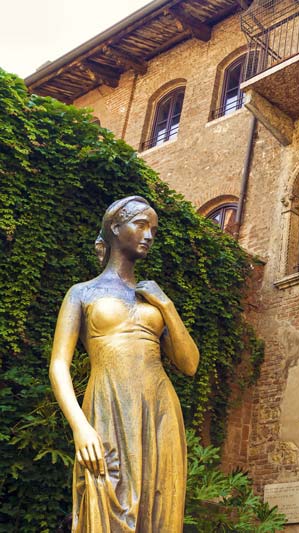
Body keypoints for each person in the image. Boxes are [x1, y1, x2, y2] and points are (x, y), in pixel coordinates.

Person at [49, 196, 199, 532]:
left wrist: (167, 305)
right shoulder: (82, 293)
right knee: (104, 499)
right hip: (107, 405)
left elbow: (189, 365)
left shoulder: (153, 297)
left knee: (159, 510)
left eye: (154, 230)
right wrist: (80, 427)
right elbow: (59, 364)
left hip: (159, 410)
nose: (149, 235)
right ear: (116, 228)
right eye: (141, 225)